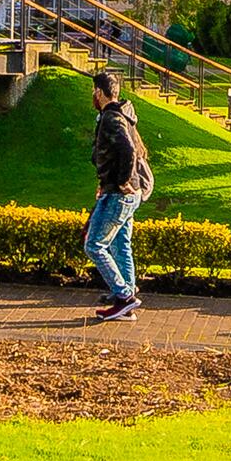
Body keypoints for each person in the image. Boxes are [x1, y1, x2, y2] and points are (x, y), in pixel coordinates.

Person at [83, 69, 153, 323]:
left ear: (99, 92)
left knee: (94, 245)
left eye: (94, 91)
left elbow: (128, 150)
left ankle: (124, 296)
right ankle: (126, 297)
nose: (93, 95)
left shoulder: (112, 118)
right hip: (128, 192)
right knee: (120, 244)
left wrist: (121, 182)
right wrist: (106, 183)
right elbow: (117, 154)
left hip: (120, 193)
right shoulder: (124, 114)